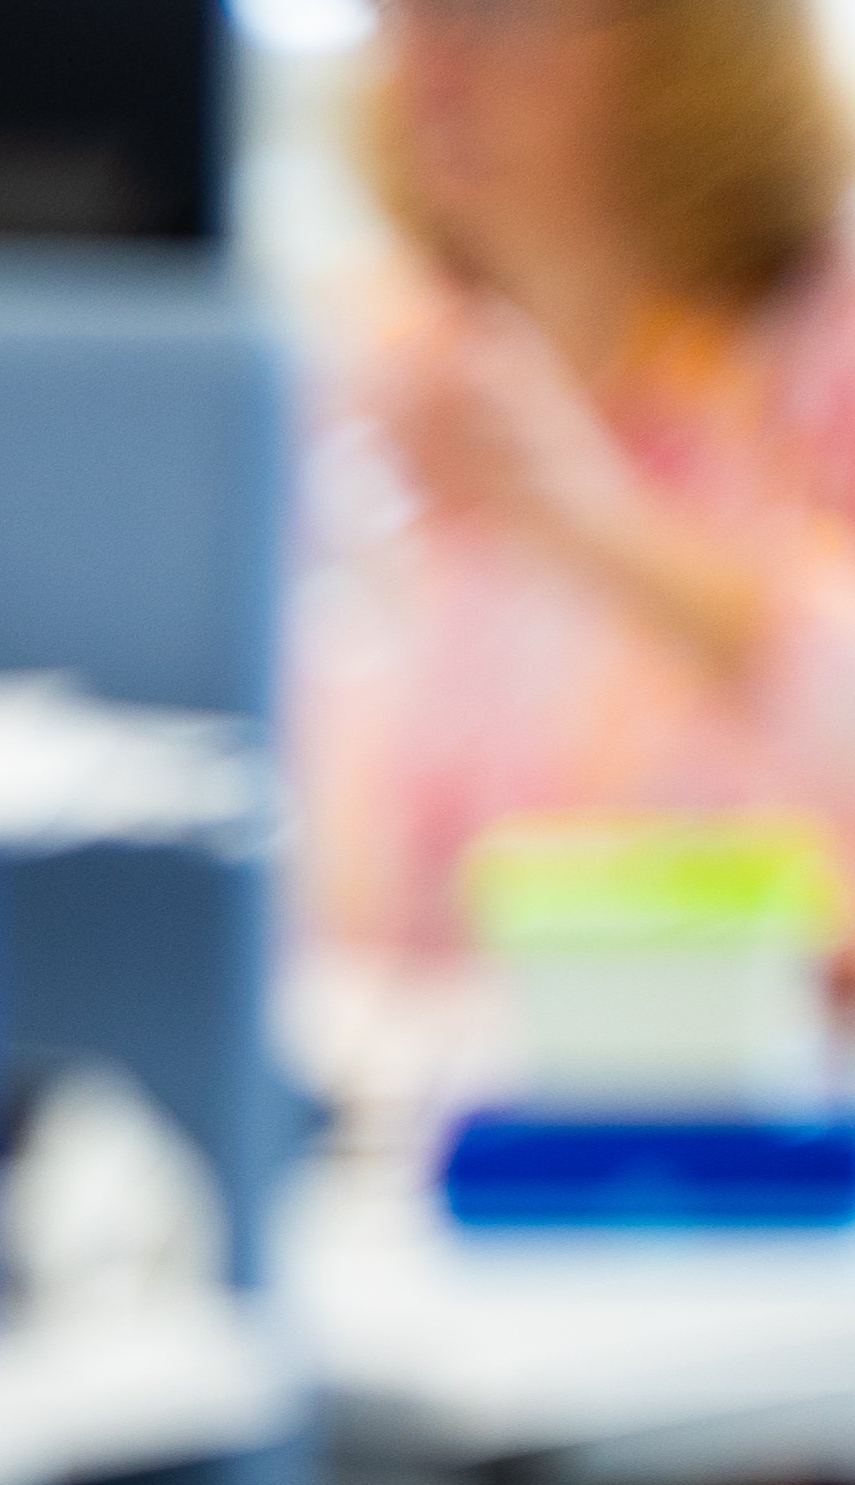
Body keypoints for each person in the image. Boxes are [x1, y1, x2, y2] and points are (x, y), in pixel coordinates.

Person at [293, 0, 855, 960]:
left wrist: (595, 523)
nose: (430, 61)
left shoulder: (815, 346)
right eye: (402, 13)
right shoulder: (391, 361)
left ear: (691, 43)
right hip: (447, 1074)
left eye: (497, 15)